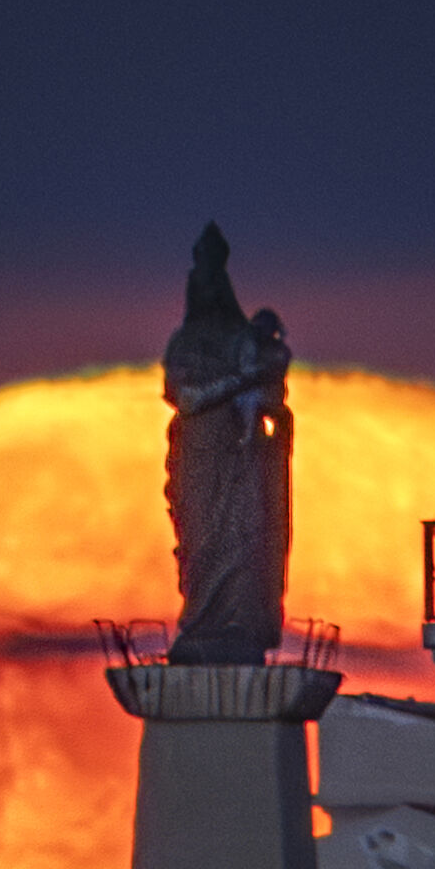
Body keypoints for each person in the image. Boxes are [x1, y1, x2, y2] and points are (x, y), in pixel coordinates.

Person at [161, 228, 293, 666]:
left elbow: (272, 393)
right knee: (199, 539)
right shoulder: (182, 343)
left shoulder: (242, 338)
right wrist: (240, 381)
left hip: (238, 452)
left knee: (243, 534)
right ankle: (201, 622)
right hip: (196, 453)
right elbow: (184, 396)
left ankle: (240, 622)